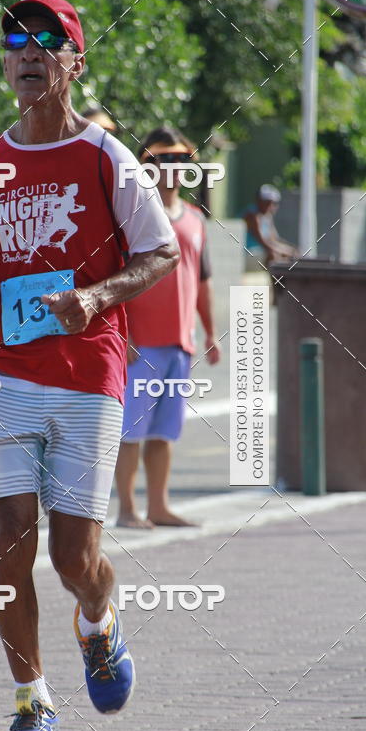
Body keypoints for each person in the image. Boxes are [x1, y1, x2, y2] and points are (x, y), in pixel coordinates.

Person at [0, 0, 180, 731]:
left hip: (89, 371)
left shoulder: (107, 159)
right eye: (17, 39)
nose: (29, 51)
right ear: (6, 61)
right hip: (7, 367)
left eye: (49, 40)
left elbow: (162, 252)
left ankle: (99, 622)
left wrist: (95, 297)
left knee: (73, 559)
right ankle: (30, 700)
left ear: (75, 61)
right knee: (6, 534)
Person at [115, 126, 221, 529]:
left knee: (164, 433)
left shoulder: (195, 219)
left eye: (180, 159)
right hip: (140, 344)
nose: (172, 168)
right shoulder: (132, 215)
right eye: (162, 159)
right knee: (131, 432)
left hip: (180, 343)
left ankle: (158, 506)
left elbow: (203, 281)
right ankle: (127, 509)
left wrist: (209, 333)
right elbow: (117, 276)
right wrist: (122, 335)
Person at [243, 184, 297, 268]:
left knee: (292, 252)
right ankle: (275, 281)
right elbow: (263, 243)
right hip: (248, 253)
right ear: (259, 201)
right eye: (267, 202)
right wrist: (284, 251)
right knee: (273, 255)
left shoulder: (268, 217)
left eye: (273, 203)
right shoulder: (252, 216)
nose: (270, 206)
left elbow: (274, 239)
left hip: (261, 252)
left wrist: (290, 249)